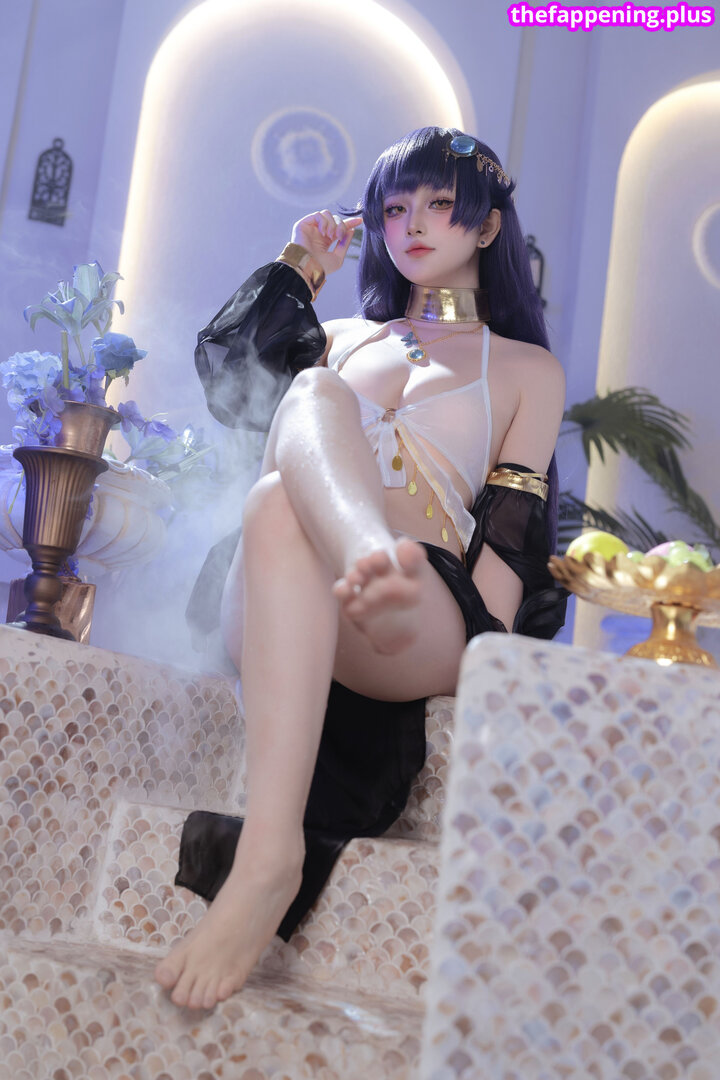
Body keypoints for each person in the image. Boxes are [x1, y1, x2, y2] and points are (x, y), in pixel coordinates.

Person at [155, 126, 566, 1010]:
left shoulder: (527, 369)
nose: (412, 224)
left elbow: (511, 534)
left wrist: (488, 661)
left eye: (440, 205)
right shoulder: (340, 337)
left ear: (487, 225)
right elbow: (235, 380)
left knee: (293, 479)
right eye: (394, 207)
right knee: (299, 427)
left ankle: (377, 563)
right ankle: (270, 856)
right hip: (302, 593)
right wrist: (302, 263)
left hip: (418, 615)